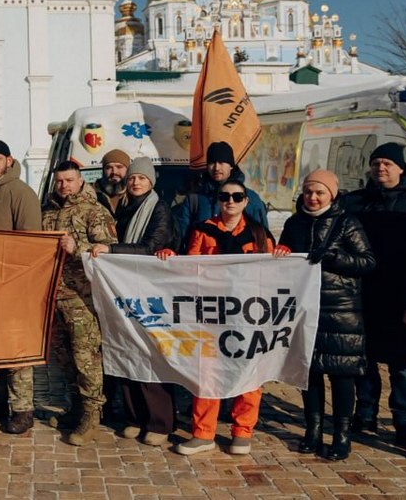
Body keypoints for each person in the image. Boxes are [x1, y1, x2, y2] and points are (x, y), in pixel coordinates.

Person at [160, 179, 275, 456]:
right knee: (207, 372)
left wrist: (283, 256)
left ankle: (242, 432)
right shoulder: (202, 230)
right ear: (218, 201)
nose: (230, 201)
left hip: (247, 313)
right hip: (210, 314)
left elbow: (273, 273)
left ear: (246, 201)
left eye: (236, 196)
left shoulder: (259, 234)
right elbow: (191, 268)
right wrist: (171, 258)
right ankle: (203, 433)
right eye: (224, 196)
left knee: (249, 372)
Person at [276, 170, 375, 460]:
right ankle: (313, 430)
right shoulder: (294, 223)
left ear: (332, 194)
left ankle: (342, 436)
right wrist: (282, 252)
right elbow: (286, 256)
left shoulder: (347, 223)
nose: (313, 197)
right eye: (308, 192)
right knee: (310, 373)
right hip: (306, 308)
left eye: (320, 192)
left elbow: (367, 262)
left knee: (342, 376)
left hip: (341, 311)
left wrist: (335, 258)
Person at [339, 143, 406, 446]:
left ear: (401, 168)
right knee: (364, 359)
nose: (381, 168)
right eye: (376, 163)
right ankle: (365, 413)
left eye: (388, 163)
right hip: (362, 293)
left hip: (401, 295)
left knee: (403, 364)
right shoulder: (355, 202)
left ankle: (405, 421)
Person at [89, 157, 177, 446]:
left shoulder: (159, 209)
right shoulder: (127, 209)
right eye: (132, 178)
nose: (136, 182)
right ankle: (135, 416)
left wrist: (111, 250)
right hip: (127, 291)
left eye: (142, 178)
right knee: (128, 351)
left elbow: (151, 246)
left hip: (151, 292)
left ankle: (159, 421)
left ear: (151, 181)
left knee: (152, 354)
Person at [41, 160, 117, 446]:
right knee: (63, 357)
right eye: (60, 181)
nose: (64, 186)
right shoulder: (47, 212)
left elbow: (107, 252)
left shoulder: (94, 211)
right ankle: (75, 406)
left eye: (69, 180)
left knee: (86, 357)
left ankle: (92, 413)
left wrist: (78, 248)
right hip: (54, 295)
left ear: (80, 181)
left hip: (82, 297)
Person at [0, 139, 43, 435]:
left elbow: (31, 241)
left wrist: (19, 280)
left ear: (9, 161)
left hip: (15, 284)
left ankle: (23, 408)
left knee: (16, 349)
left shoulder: (21, 193)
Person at [172, 141, 267, 242]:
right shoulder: (194, 200)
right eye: (212, 163)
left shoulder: (250, 198)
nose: (216, 168)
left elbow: (263, 238)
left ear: (231, 166)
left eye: (221, 163)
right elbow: (181, 238)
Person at [94, 149, 132, 218]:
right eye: (109, 168)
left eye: (119, 167)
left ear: (128, 170)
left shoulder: (134, 195)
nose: (114, 172)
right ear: (103, 171)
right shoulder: (92, 195)